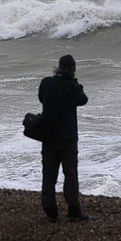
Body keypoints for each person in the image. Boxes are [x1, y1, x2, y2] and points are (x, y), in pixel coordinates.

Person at [38, 54, 89, 222]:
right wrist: (74, 82)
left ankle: (50, 212)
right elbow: (83, 100)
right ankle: (73, 211)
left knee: (49, 175)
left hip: (49, 137)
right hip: (67, 139)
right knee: (70, 175)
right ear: (73, 69)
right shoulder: (73, 87)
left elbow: (41, 98)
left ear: (58, 67)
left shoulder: (46, 82)